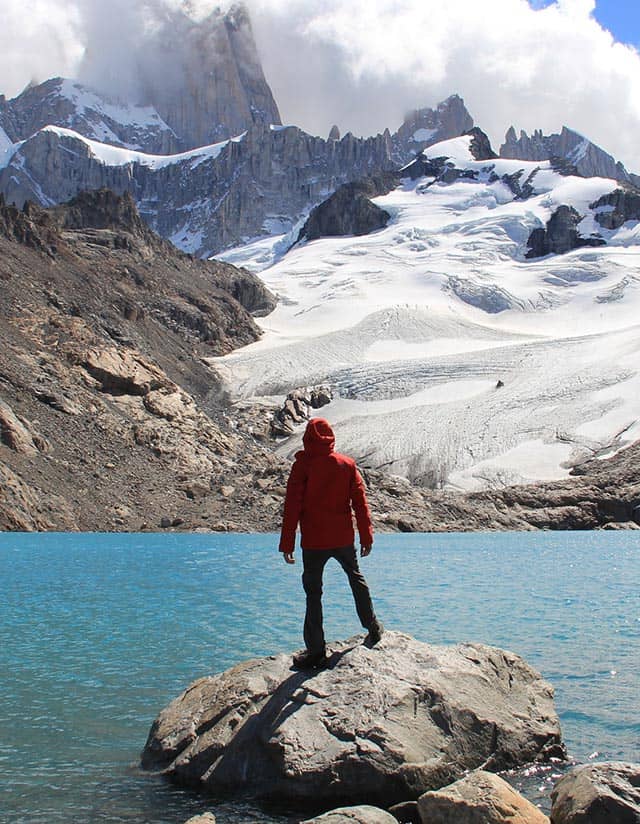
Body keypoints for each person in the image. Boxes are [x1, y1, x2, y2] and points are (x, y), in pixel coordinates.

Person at [279, 417, 383, 669]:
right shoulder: (346, 465)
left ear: (307, 438)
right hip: (343, 538)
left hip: (314, 541)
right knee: (355, 577)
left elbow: (292, 506)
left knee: (313, 594)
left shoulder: (302, 466)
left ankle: (316, 652)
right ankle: (373, 626)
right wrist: (366, 536)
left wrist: (287, 543)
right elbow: (361, 504)